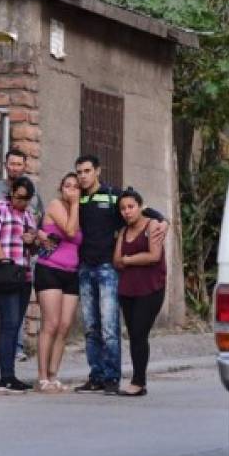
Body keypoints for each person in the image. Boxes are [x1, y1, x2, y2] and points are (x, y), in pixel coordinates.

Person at [73, 154, 167, 395]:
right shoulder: (76, 197)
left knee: (109, 327)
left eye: (87, 171)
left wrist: (162, 220)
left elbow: (138, 209)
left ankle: (112, 378)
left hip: (107, 268)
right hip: (84, 268)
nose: (83, 176)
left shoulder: (113, 195)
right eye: (79, 172)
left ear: (97, 171)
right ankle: (96, 376)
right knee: (91, 327)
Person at [113, 189, 166, 397]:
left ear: (140, 206)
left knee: (139, 333)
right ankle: (138, 380)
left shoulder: (153, 225)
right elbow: (116, 260)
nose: (127, 212)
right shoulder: (123, 232)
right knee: (134, 334)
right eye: (123, 208)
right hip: (128, 289)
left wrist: (128, 260)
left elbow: (154, 256)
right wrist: (126, 260)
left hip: (151, 288)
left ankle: (138, 381)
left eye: (131, 207)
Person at [33, 173, 82, 392]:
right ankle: (42, 377)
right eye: (67, 186)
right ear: (60, 188)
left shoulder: (78, 210)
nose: (71, 190)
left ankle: (54, 375)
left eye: (76, 187)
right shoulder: (55, 205)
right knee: (50, 324)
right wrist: (74, 204)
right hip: (50, 269)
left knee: (64, 326)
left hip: (72, 272)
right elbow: (70, 231)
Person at [0, 176, 38, 393]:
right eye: (19, 198)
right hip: (6, 273)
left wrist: (33, 240)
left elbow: (34, 248)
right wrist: (4, 261)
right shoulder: (0, 208)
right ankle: (5, 377)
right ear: (12, 193)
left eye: (26, 199)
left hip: (24, 276)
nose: (22, 203)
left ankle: (11, 376)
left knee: (15, 324)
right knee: (9, 322)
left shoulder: (29, 214)